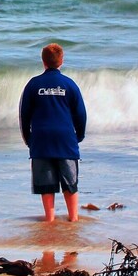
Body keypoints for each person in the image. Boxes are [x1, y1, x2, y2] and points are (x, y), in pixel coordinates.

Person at [18, 43, 87, 222]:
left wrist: (28, 140)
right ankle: (73, 218)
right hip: (66, 140)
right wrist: (78, 136)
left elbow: (24, 115)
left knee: (46, 186)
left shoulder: (33, 84)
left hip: (41, 141)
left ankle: (49, 220)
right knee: (70, 184)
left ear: (43, 61)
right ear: (61, 61)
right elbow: (81, 114)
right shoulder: (70, 85)